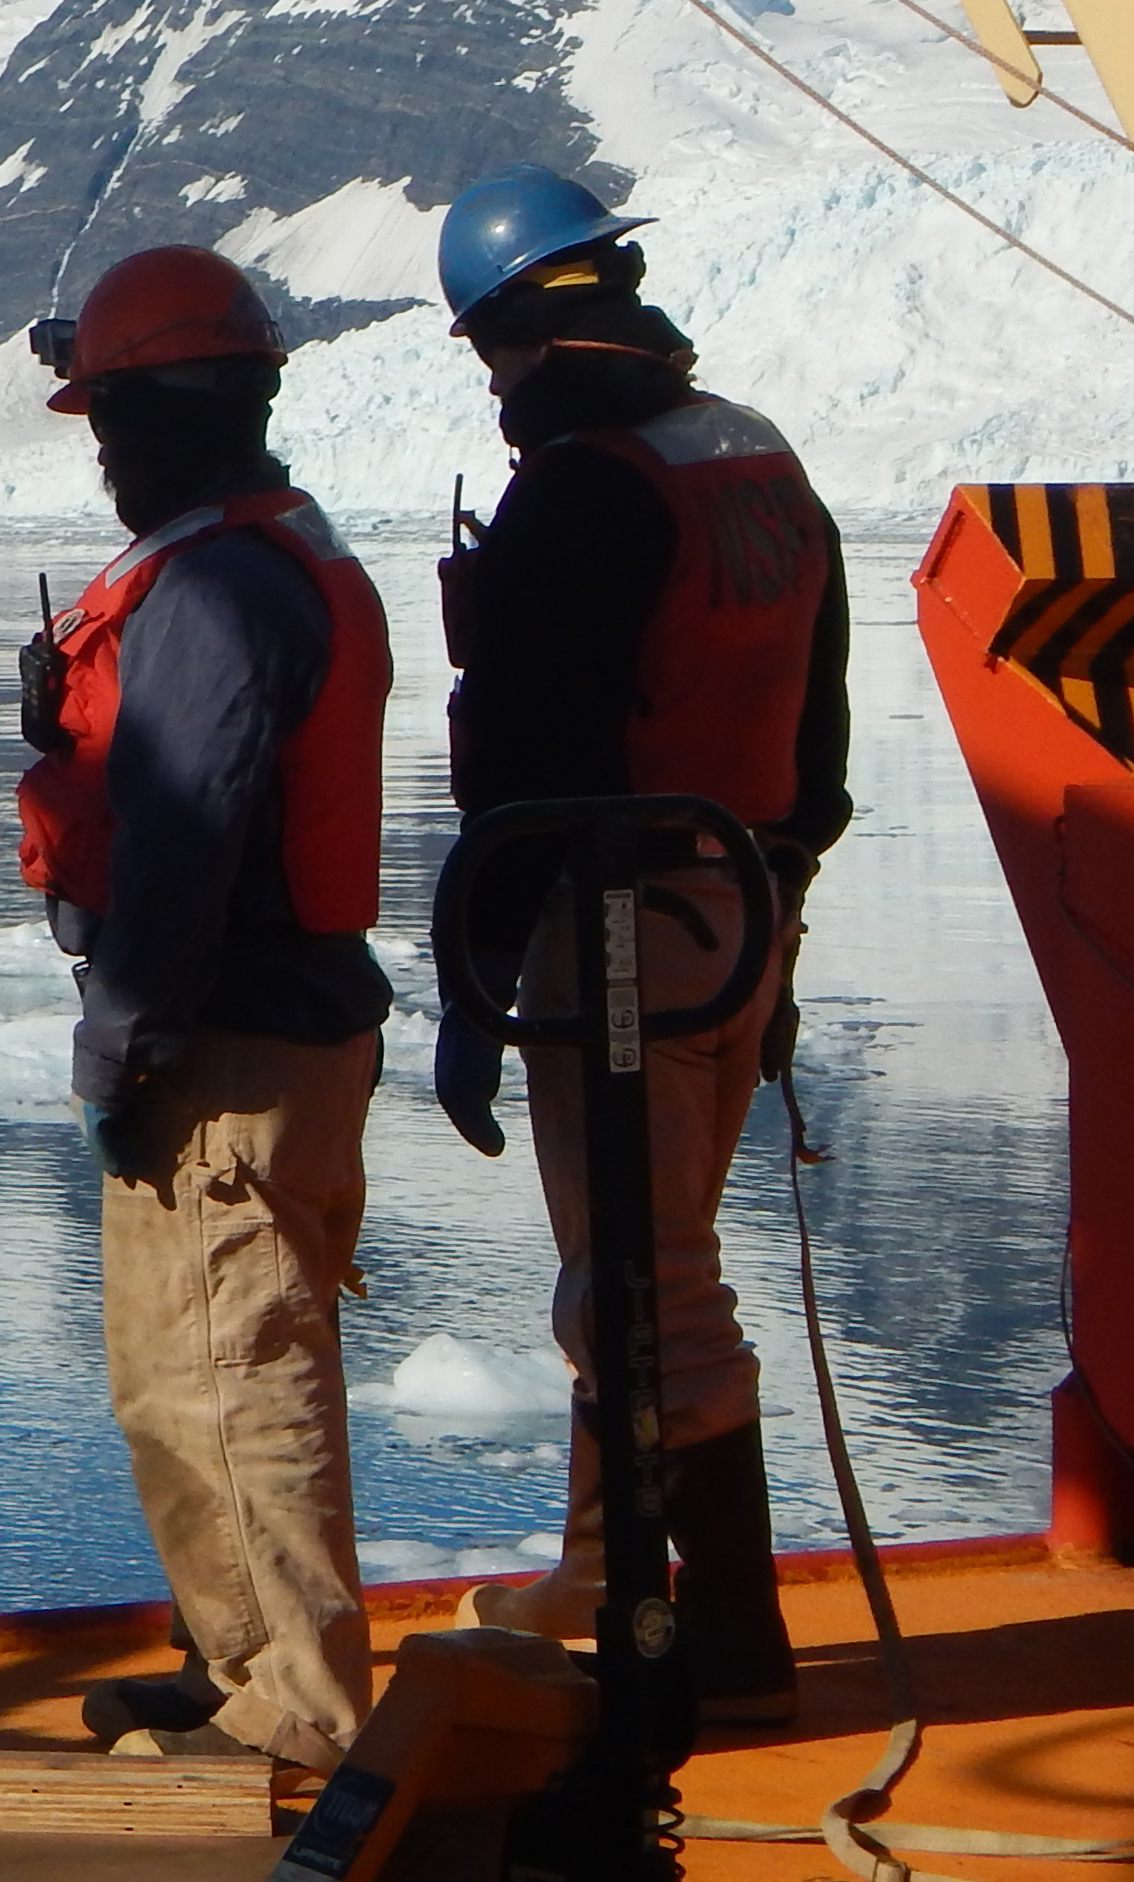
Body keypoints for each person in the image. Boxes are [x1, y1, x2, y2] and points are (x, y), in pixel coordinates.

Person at [426, 167, 847, 1728]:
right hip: (743, 899)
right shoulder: (751, 451)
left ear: (520, 335)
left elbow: (526, 762)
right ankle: (609, 1564)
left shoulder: (587, 485)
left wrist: (475, 970)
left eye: (490, 357)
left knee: (646, 1279)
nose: (495, 388)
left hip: (622, 923)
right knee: (646, 1257)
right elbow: (822, 717)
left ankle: (725, 1625)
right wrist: (782, 909)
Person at [14, 245, 394, 1772]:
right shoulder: (260, 557)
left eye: (112, 416)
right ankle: (233, 1660)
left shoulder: (215, 593)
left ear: (177, 409)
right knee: (195, 1373)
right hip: (274, 1028)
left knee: (235, 1378)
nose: (103, 449)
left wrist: (124, 1037)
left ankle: (295, 1710)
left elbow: (183, 838)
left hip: (228, 1052)